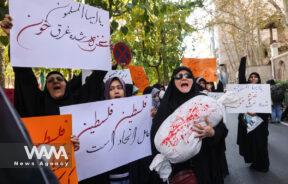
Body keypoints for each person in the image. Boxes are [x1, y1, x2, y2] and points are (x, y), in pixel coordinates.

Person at [151, 66, 228, 184]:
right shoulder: (165, 108)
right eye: (179, 76)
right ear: (173, 81)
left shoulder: (204, 100)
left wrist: (212, 132)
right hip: (180, 172)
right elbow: (156, 140)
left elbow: (223, 130)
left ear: (192, 80)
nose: (183, 79)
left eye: (187, 76)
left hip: (206, 167)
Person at [237, 56, 270, 172]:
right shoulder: (245, 88)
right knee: (251, 142)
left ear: (259, 79)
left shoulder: (264, 89)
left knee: (261, 143)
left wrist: (257, 112)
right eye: (251, 77)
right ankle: (255, 163)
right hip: (248, 119)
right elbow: (241, 77)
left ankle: (264, 165)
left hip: (260, 120)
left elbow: (266, 107)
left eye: (255, 77)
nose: (253, 78)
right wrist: (243, 61)